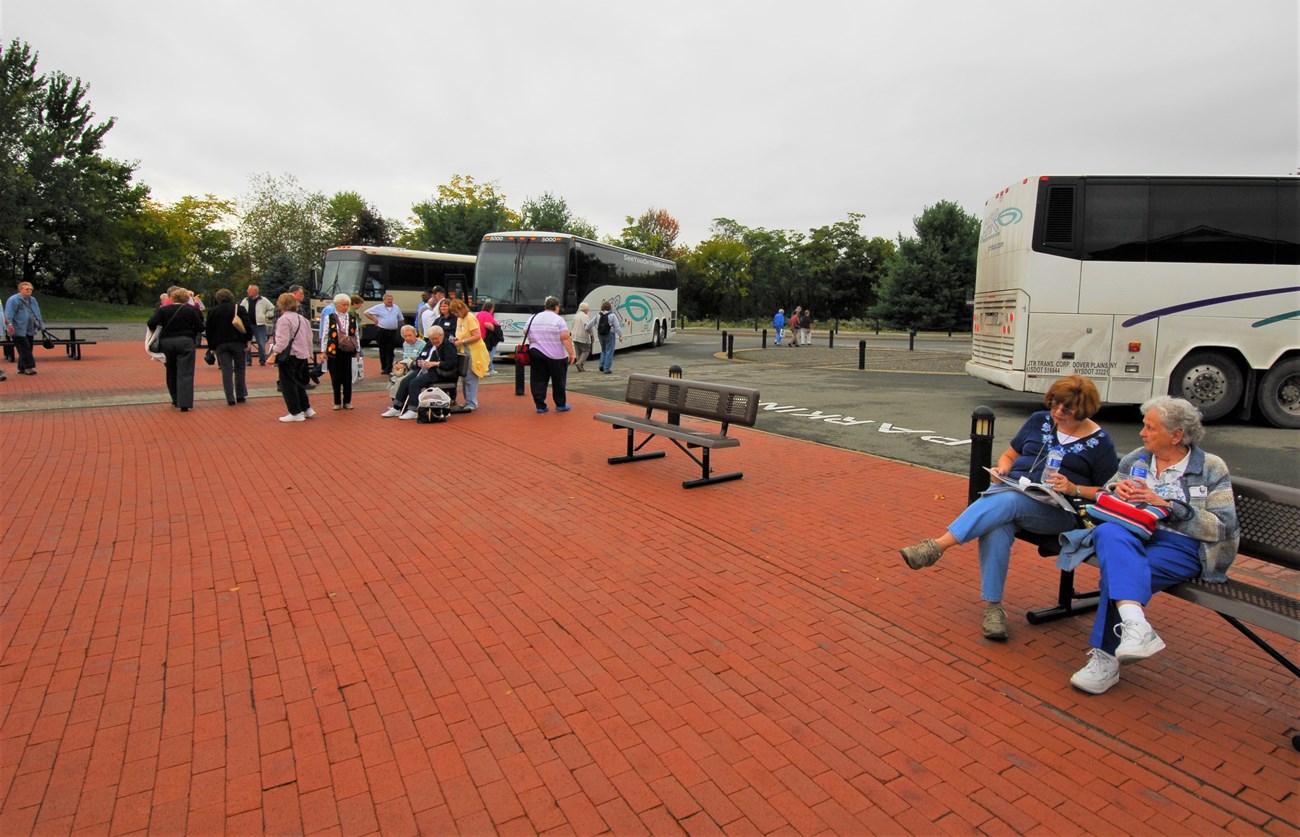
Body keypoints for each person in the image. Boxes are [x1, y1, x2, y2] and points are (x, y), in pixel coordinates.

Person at [899, 375, 1119, 640]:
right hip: (1015, 493)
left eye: (1067, 409)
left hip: (1058, 513)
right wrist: (1003, 468)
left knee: (1007, 501)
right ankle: (993, 608)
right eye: (1055, 404)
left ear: (1084, 409)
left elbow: (1108, 492)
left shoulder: (1100, 442)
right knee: (998, 525)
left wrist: (1074, 488)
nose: (1058, 412)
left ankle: (936, 547)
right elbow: (1010, 455)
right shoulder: (1039, 420)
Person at [1069, 396, 1239, 695]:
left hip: (1185, 546)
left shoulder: (1211, 467)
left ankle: (1106, 659)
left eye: (1150, 428)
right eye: (1144, 426)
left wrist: (1170, 506)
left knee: (1119, 572)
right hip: (1133, 534)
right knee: (1108, 534)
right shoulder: (1137, 458)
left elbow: (1224, 526)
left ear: (1176, 435)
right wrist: (1115, 489)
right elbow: (1109, 491)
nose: (1142, 433)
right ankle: (1136, 625)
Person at [146, 287, 206, 411]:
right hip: (186, 341)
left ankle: (175, 398)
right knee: (186, 372)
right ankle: (184, 403)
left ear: (172, 298)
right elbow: (201, 327)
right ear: (186, 298)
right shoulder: (191, 310)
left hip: (167, 343)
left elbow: (151, 323)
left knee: (171, 371)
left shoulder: (163, 310)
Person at [383, 326, 457, 419]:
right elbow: (421, 356)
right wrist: (419, 361)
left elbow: (451, 363)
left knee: (415, 383)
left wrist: (435, 363)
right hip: (424, 369)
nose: (434, 341)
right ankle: (397, 407)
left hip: (439, 372)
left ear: (441, 336)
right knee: (405, 381)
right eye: (431, 339)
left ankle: (413, 409)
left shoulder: (449, 346)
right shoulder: (429, 344)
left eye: (436, 338)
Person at [269, 293, 315, 422]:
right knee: (299, 382)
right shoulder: (302, 318)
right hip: (302, 354)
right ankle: (306, 408)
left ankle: (295, 412)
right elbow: (309, 337)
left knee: (288, 384)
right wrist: (309, 352)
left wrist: (274, 354)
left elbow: (282, 340)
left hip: (290, 355)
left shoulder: (283, 320)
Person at [204, 288, 253, 406]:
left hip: (221, 344)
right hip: (238, 342)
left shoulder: (213, 311)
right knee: (240, 369)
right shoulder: (239, 309)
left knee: (226, 370)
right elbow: (247, 325)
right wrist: (248, 340)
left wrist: (212, 347)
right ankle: (240, 395)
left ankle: (230, 398)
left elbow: (209, 330)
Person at [526, 296, 576, 413]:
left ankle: (540, 405)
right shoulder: (558, 320)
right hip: (556, 355)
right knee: (558, 381)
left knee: (538, 380)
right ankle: (560, 404)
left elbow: (525, 331)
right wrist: (571, 353)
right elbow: (565, 337)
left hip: (536, 352)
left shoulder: (533, 318)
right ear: (556, 307)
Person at [318, 293, 359, 410]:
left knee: (348, 377)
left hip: (348, 350)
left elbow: (356, 335)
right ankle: (337, 401)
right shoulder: (329, 317)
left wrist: (357, 351)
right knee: (336, 376)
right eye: (343, 305)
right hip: (334, 350)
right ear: (336, 305)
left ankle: (347, 401)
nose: (345, 307)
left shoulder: (352, 317)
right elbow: (326, 334)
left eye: (347, 305)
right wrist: (323, 351)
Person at [451, 299, 490, 411]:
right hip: (463, 350)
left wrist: (462, 341)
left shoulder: (470, 318)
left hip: (473, 351)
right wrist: (456, 339)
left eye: (456, 312)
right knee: (464, 376)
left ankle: (472, 402)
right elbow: (460, 333)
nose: (456, 315)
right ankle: (467, 400)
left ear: (461, 309)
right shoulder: (460, 319)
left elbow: (477, 336)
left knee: (471, 377)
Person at [5, 281, 45, 376]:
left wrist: (41, 325)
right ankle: (29, 367)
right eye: (27, 289)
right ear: (20, 290)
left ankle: (22, 367)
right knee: (25, 348)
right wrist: (9, 325)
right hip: (18, 329)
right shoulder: (13, 300)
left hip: (30, 328)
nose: (29, 290)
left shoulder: (32, 300)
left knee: (28, 347)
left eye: (31, 289)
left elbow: (37, 313)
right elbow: (8, 314)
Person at [364, 294, 404, 375]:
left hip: (393, 331)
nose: (390, 301)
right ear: (384, 300)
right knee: (383, 350)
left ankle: (389, 368)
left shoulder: (396, 307)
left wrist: (403, 328)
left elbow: (401, 319)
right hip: (382, 331)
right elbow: (366, 312)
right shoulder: (379, 307)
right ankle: (384, 367)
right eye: (388, 299)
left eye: (391, 299)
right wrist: (374, 319)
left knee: (390, 350)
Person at [240, 284, 276, 366]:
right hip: (247, 325)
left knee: (261, 343)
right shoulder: (245, 300)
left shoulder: (263, 300)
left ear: (256, 291)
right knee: (246, 343)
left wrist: (266, 315)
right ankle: (248, 361)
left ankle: (262, 360)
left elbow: (272, 308)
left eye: (250, 290)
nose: (248, 291)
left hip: (260, 325)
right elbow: (240, 309)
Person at [586, 300, 623, 374]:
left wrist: (586, 328)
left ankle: (601, 365)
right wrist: (620, 335)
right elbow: (617, 327)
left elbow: (590, 324)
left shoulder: (598, 315)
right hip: (610, 334)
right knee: (609, 351)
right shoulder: (612, 315)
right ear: (609, 308)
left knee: (603, 350)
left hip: (600, 334)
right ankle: (607, 369)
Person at [476, 300, 502, 375]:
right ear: (491, 308)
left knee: (483, 354)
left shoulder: (479, 314)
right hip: (487, 338)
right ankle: (486, 369)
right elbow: (487, 324)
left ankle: (490, 368)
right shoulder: (487, 315)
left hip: (480, 337)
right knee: (489, 354)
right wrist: (496, 330)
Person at [571, 302, 595, 372]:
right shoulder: (585, 316)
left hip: (575, 336)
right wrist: (592, 335)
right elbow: (587, 326)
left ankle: (580, 367)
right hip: (582, 336)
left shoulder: (576, 316)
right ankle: (579, 363)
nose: (588, 310)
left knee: (578, 352)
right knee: (586, 351)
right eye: (587, 308)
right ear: (584, 309)